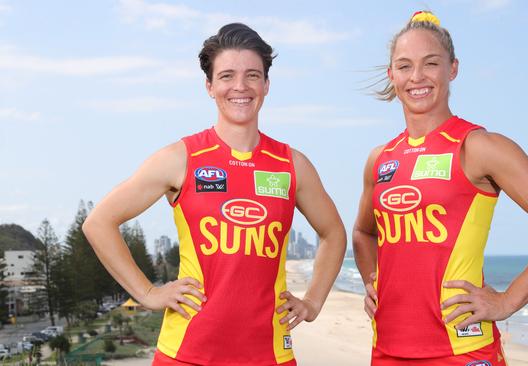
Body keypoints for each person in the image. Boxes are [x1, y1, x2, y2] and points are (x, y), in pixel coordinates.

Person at [83, 23, 346, 366]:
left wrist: (312, 301)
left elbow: (334, 233)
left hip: (270, 355)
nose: (240, 86)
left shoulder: (291, 163)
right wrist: (148, 293)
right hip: (186, 353)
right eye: (226, 76)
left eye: (252, 75)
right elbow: (98, 223)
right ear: (209, 86)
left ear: (266, 85)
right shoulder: (181, 158)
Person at [352, 11, 528, 366]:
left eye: (430, 64)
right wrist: (374, 283)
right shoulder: (380, 159)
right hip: (387, 349)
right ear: (392, 75)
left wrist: (507, 302)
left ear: (453, 69)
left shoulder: (478, 147)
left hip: (462, 350)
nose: (417, 77)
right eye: (404, 66)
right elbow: (362, 232)